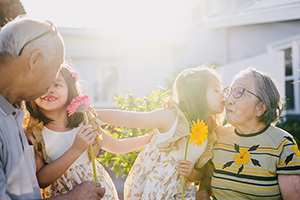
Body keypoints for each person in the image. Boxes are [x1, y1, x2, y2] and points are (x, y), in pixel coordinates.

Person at [0, 17, 105, 200]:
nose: (52, 83)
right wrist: (72, 197)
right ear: (34, 61)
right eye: (55, 69)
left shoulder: (12, 112)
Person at [24, 64, 153, 199]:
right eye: (43, 84)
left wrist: (150, 138)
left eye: (57, 85)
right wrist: (76, 149)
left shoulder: (84, 121)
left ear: (70, 89)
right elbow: (42, 180)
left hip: (99, 190)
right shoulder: (34, 133)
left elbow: (118, 145)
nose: (49, 90)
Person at [96, 66, 225, 199]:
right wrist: (93, 113)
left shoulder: (209, 131)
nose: (223, 95)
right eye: (216, 90)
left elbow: (201, 173)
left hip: (180, 192)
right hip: (156, 191)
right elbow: (128, 119)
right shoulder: (171, 118)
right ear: (198, 95)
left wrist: (192, 173)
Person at [197, 67, 300, 200]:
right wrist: (204, 191)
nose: (228, 100)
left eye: (239, 92)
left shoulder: (283, 144)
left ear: (260, 107)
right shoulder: (218, 136)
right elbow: (208, 176)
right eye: (229, 92)